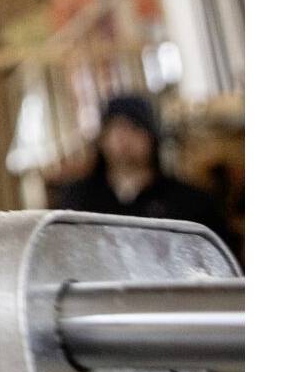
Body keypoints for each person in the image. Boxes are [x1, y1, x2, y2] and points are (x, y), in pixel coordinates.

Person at [54, 93, 240, 264]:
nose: (123, 139)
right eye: (116, 128)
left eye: (134, 128)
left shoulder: (190, 203)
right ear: (103, 138)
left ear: (152, 137)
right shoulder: (78, 201)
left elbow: (219, 262)